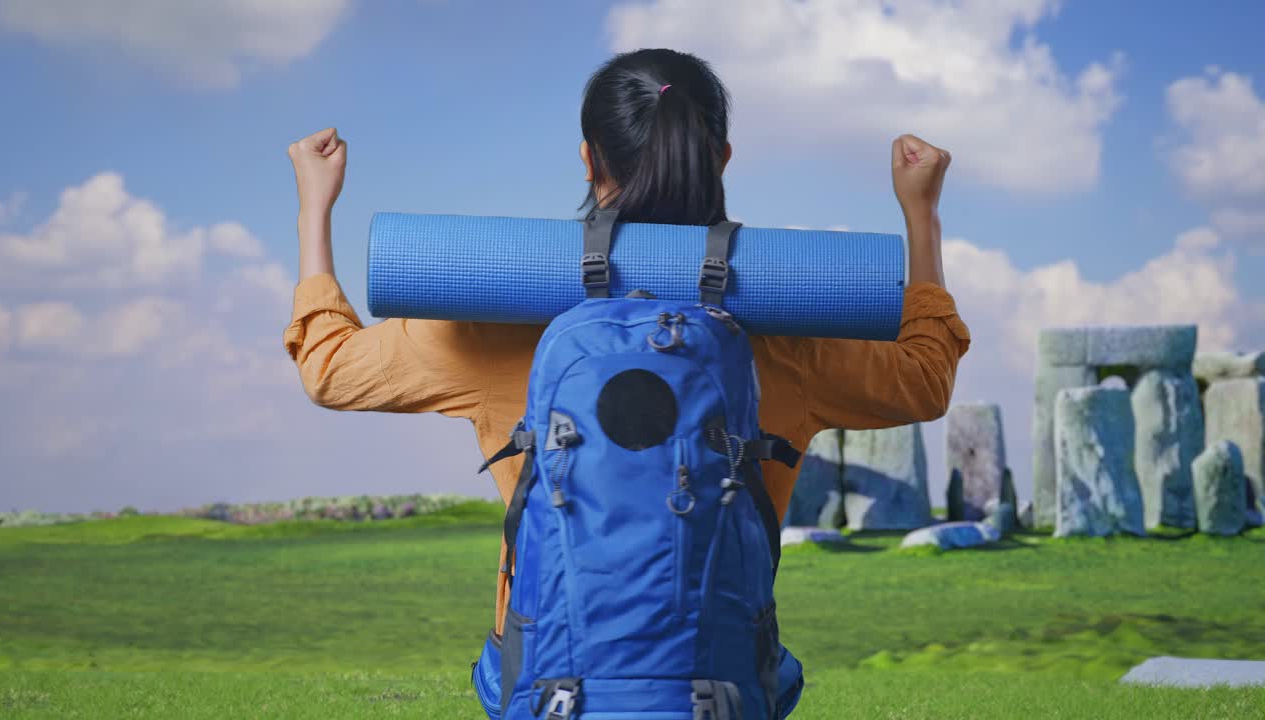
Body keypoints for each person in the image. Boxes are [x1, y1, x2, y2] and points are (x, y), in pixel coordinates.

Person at [284, 48, 970, 664]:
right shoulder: (787, 329)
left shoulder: (497, 326)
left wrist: (315, 207)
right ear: (723, 158)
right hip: (717, 686)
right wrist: (921, 217)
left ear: (588, 158)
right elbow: (925, 379)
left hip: (552, 684)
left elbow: (330, 367)